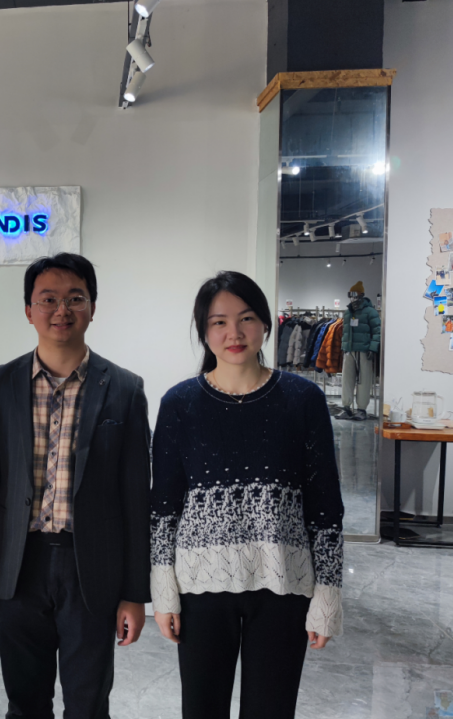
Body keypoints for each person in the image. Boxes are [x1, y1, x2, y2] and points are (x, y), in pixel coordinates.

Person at [150, 271, 344, 719]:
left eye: (246, 318)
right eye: (218, 322)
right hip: (200, 587)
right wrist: (163, 589)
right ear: (204, 331)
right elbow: (163, 507)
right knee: (202, 709)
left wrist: (328, 592)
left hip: (283, 584)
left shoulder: (303, 399)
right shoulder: (180, 403)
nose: (233, 333)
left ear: (266, 325)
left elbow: (325, 505)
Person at [0, 253, 151, 718]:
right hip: (18, 565)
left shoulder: (125, 389)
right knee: (24, 702)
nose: (61, 310)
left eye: (75, 298)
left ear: (92, 308)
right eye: (48, 299)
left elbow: (137, 498)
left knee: (88, 704)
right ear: (28, 310)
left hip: (90, 568)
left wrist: (135, 592)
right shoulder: (0, 382)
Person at [337, 281, 381, 422]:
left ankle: (361, 409)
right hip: (349, 351)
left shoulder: (370, 312)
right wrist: (344, 348)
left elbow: (377, 331)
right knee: (346, 379)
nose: (353, 298)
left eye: (355, 294)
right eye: (350, 295)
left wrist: (372, 348)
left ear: (362, 295)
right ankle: (346, 407)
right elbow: (345, 332)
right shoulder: (348, 313)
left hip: (364, 351)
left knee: (364, 380)